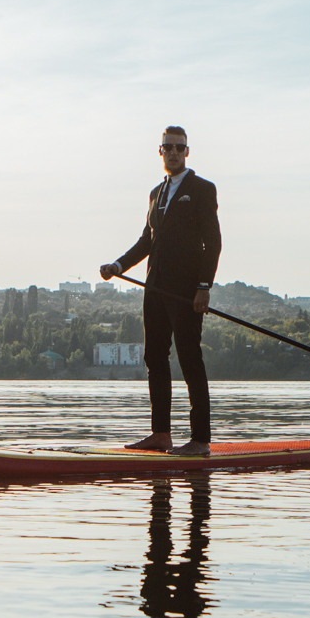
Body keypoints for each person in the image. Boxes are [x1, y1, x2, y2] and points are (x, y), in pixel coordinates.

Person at [100, 125, 220, 455]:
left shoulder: (201, 189)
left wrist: (203, 287)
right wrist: (119, 266)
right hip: (154, 290)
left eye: (179, 147)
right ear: (160, 151)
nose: (173, 152)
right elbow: (147, 241)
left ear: (188, 152)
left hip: (187, 293)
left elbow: (213, 243)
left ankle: (200, 440)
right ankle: (161, 435)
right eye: (168, 147)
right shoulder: (156, 193)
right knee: (154, 358)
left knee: (190, 359)